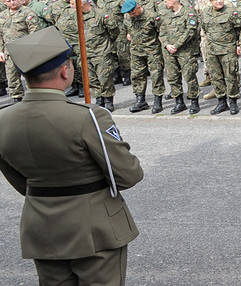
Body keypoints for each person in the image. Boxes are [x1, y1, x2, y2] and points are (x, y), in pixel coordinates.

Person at [0, 27, 144, 285]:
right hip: (94, 228)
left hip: (41, 225)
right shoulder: (88, 116)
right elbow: (128, 174)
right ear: (66, 70)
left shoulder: (2, 119)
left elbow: (20, 181)